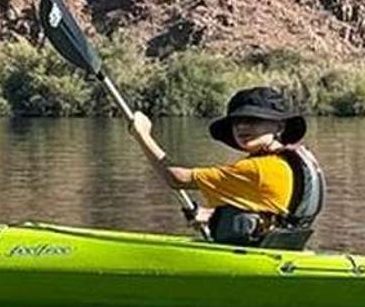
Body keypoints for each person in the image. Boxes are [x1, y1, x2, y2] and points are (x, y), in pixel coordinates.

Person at [128, 86, 325, 248]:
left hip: (257, 257)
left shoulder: (257, 169)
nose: (241, 127)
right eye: (237, 121)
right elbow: (272, 212)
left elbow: (175, 178)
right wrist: (212, 216)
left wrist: (142, 135)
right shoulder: (287, 162)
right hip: (280, 251)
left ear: (279, 127)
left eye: (253, 120)